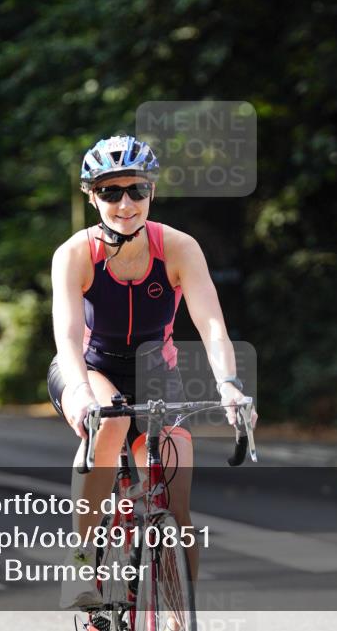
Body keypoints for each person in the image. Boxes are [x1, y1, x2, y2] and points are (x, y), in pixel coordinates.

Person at [48, 135, 258, 609]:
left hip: (155, 371)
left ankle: (181, 610)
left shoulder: (179, 248)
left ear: (152, 191)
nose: (126, 203)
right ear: (91, 195)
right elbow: (66, 337)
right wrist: (82, 395)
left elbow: (212, 327)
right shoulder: (75, 254)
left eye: (136, 190)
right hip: (89, 367)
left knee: (177, 500)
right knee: (113, 419)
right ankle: (80, 562)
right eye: (110, 192)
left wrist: (229, 385)